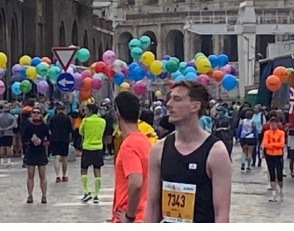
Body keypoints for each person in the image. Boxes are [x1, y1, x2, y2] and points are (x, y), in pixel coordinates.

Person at [145, 81, 232, 223]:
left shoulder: (216, 152)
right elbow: (152, 205)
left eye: (177, 99)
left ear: (195, 106)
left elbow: (221, 213)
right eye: (170, 98)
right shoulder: (159, 149)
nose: (169, 104)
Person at [111, 92, 151, 223]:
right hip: (146, 213)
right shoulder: (145, 141)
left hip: (131, 217)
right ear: (138, 115)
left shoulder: (128, 145)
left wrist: (129, 215)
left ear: (117, 116)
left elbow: (136, 182)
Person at [22, 107, 50, 203]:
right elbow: (24, 140)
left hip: (41, 152)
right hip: (31, 152)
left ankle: (44, 195)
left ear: (41, 114)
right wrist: (31, 141)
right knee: (30, 174)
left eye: (38, 112)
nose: (36, 114)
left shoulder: (44, 127)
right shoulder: (28, 126)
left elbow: (49, 140)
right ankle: (30, 195)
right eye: (34, 112)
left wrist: (41, 142)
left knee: (42, 174)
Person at [79, 104, 106, 203]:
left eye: (86, 110)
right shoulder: (102, 121)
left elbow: (81, 132)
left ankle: (87, 192)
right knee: (97, 170)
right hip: (98, 147)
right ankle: (96, 195)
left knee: (83, 170)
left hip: (87, 147)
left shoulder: (85, 121)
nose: (84, 112)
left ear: (90, 111)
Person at [262, 116, 286, 202]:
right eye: (271, 124)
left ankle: (281, 190)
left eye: (274, 123)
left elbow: (281, 144)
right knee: (271, 173)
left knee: (279, 174)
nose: (272, 125)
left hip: (278, 155)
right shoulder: (267, 133)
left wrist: (272, 145)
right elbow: (265, 144)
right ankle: (273, 193)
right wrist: (274, 145)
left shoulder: (281, 133)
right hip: (269, 155)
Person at [48, 102, 73, 183]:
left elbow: (50, 128)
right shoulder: (67, 118)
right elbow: (70, 129)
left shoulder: (53, 118)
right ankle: (64, 175)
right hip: (64, 139)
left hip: (55, 139)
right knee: (64, 158)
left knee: (57, 157)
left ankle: (57, 175)